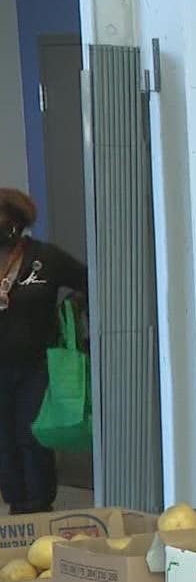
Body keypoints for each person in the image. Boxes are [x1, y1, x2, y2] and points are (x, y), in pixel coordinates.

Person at [0, 188, 87, 514]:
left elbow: (87, 280)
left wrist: (74, 306)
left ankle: (39, 507)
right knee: (4, 443)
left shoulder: (45, 258)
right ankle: (15, 507)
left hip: (37, 364)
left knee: (31, 436)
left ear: (15, 222)